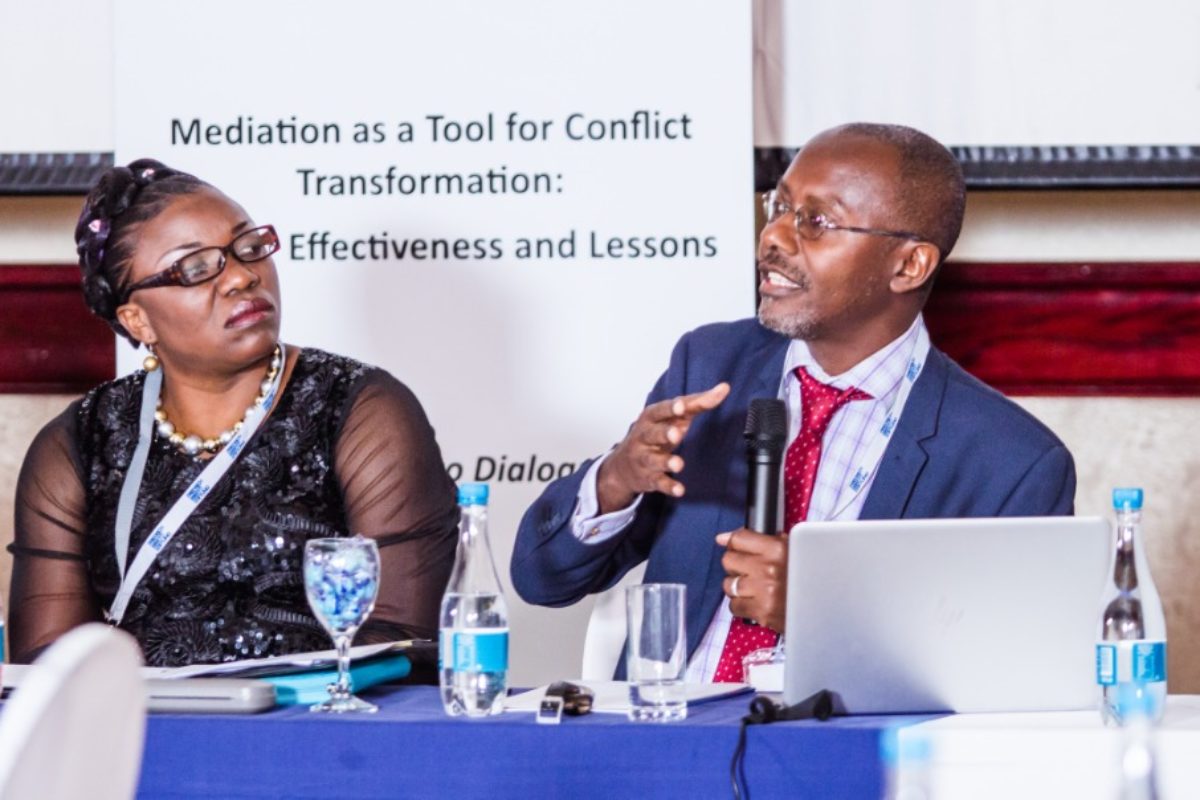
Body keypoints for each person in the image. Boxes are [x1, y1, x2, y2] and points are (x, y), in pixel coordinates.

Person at [511, 123, 1076, 682]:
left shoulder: (1011, 463)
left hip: (849, 739)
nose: (773, 238)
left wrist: (824, 613)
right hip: (671, 724)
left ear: (909, 266)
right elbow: (541, 581)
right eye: (778, 207)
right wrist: (617, 478)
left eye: (815, 221)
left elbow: (1014, 675)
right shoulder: (710, 366)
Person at [9, 159, 458, 667]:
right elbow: (44, 665)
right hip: (138, 716)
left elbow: (405, 642)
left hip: (324, 714)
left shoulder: (362, 411)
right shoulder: (79, 443)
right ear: (137, 320)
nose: (243, 277)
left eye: (248, 247)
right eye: (196, 268)